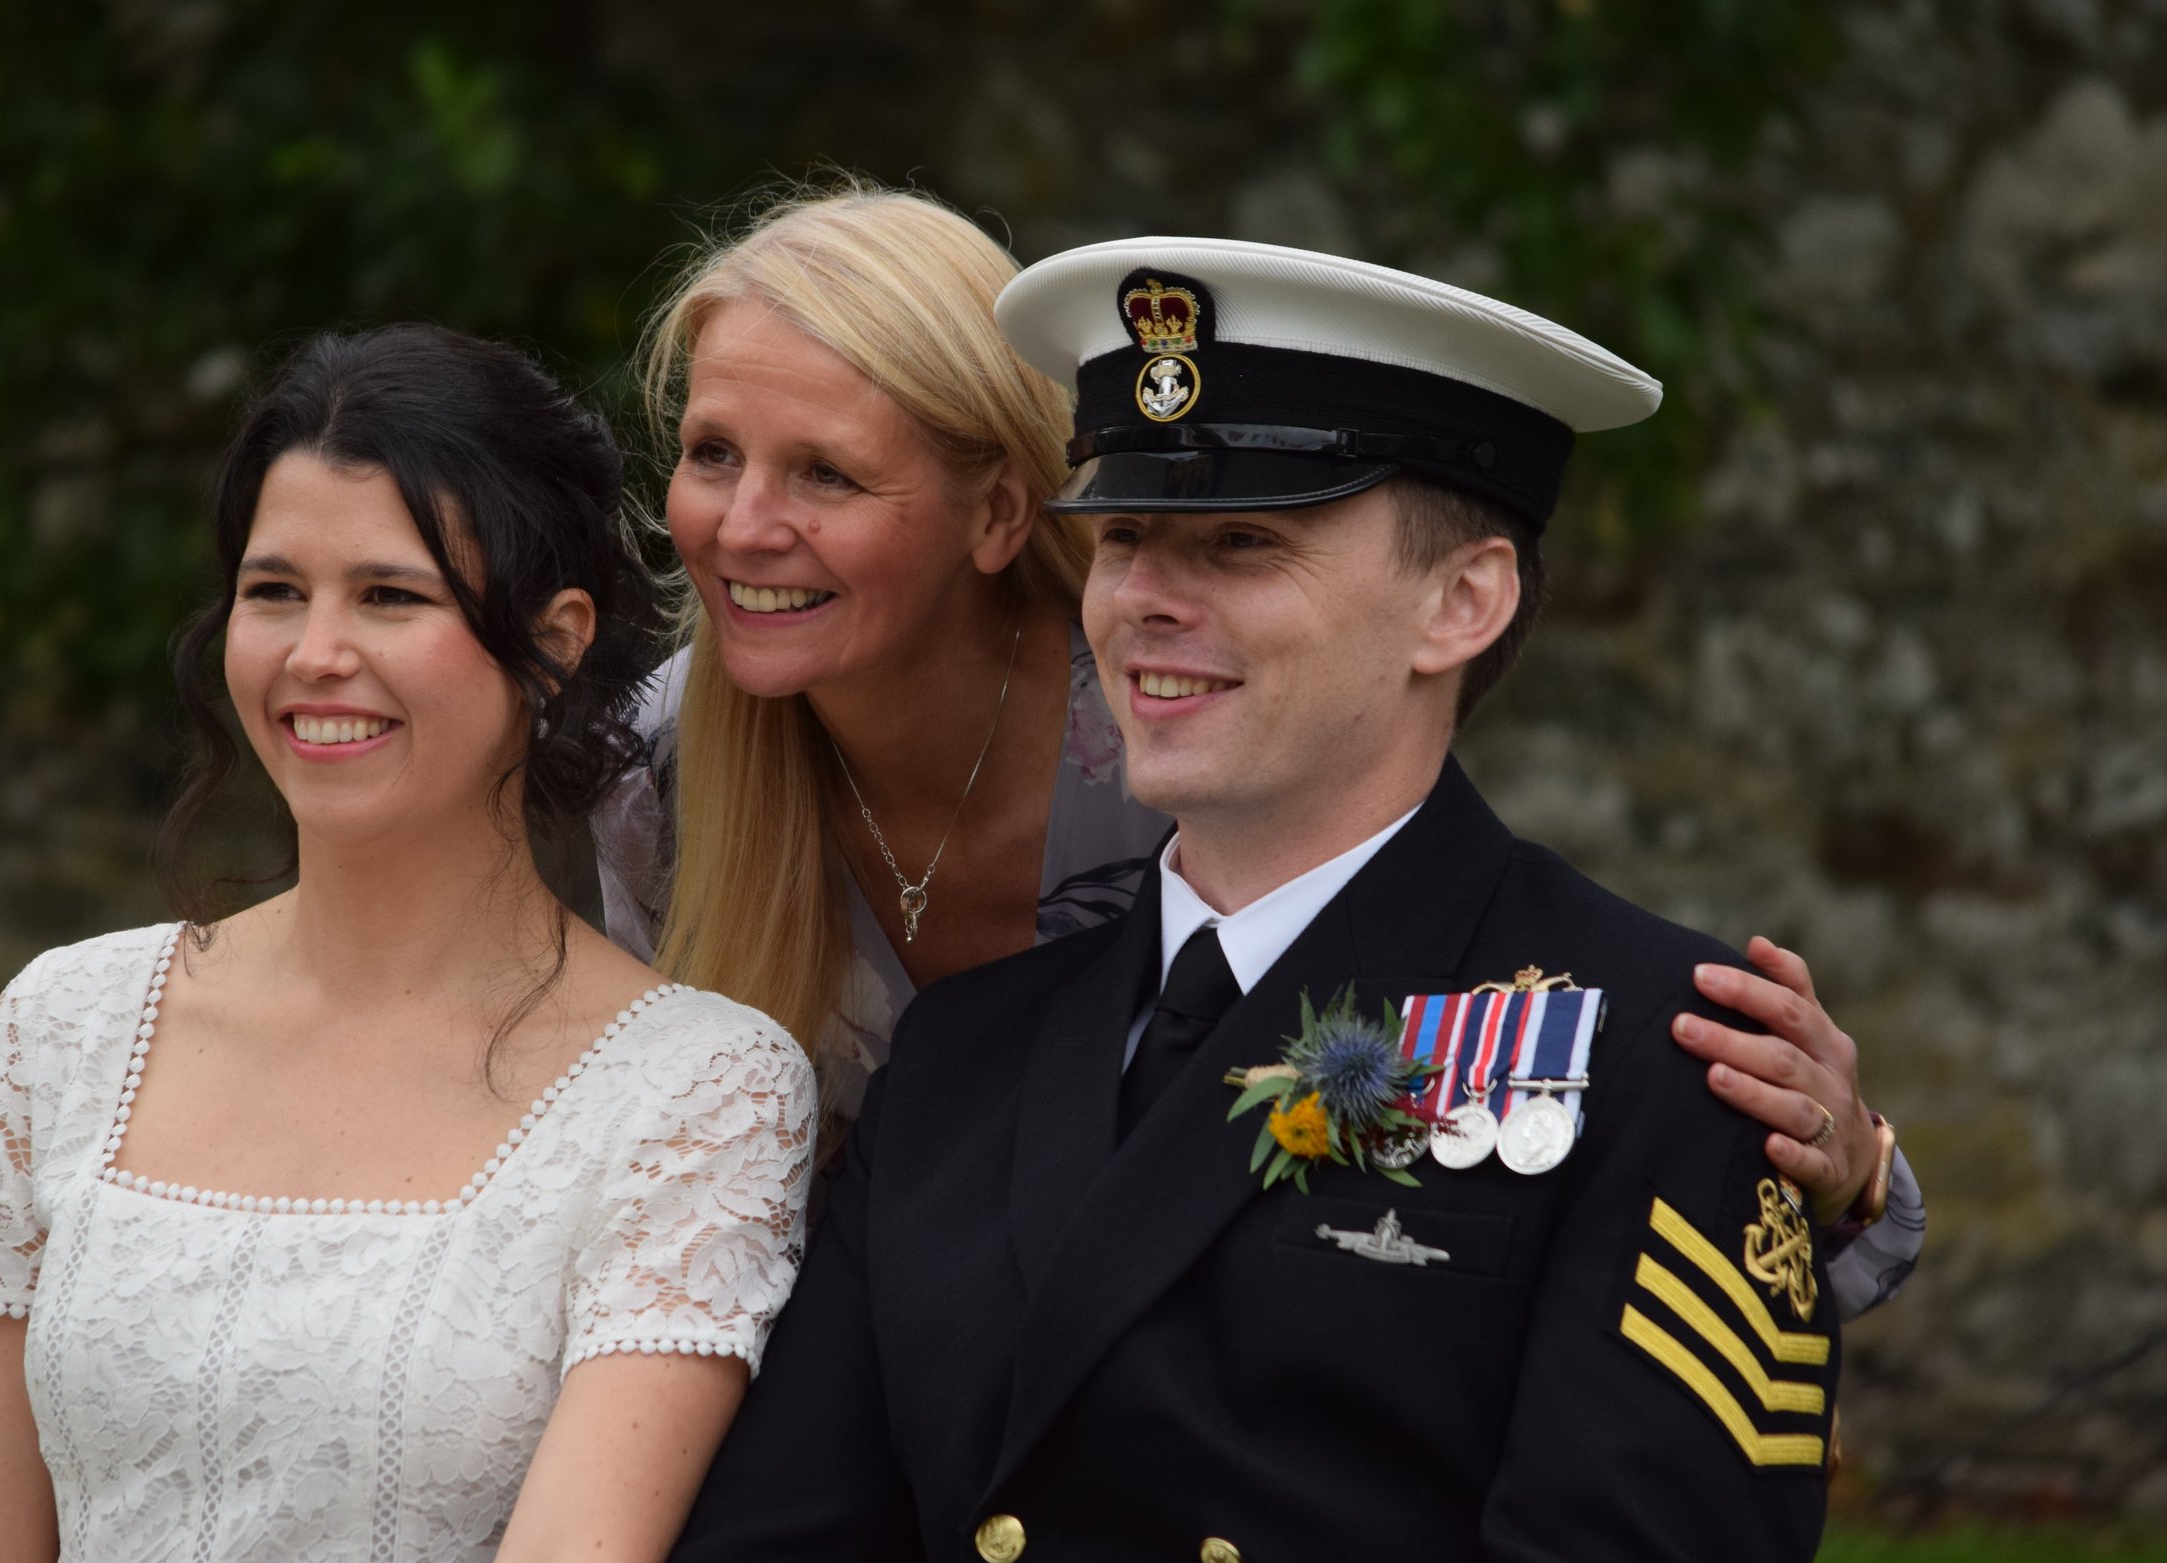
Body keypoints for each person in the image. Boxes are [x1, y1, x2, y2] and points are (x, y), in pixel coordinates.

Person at [637, 239, 1860, 1563]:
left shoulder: (1656, 1053)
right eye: (1130, 535)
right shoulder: (968, 1056)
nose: (1150, 595)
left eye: (1242, 544)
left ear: (1462, 602)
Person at [595, 183, 1919, 1303]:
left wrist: (1840, 1182)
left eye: (825, 472)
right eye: (711, 454)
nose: (740, 525)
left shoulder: (1190, 728)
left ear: (1001, 511)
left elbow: (1479, 1106)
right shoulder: (654, 779)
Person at [0, 325, 818, 1563]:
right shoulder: (62, 1028)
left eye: (389, 596)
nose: (316, 653)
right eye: (274, 591)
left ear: (549, 648)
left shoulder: (698, 1091)